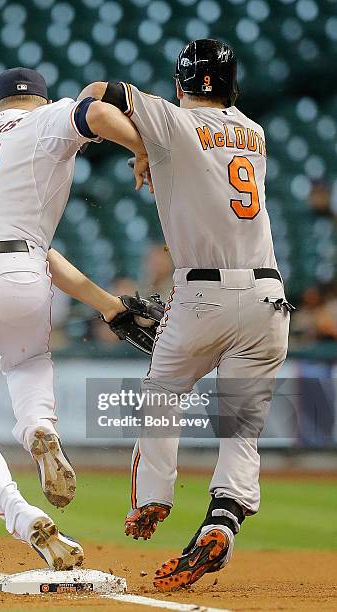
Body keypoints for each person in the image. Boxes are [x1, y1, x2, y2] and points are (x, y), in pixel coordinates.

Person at [79, 39, 291, 589]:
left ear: (180, 84)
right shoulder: (256, 133)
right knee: (240, 427)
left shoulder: (172, 123)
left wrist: (143, 142)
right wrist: (154, 145)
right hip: (268, 295)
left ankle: (152, 499)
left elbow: (96, 102)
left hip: (203, 294)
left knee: (162, 391)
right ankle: (223, 519)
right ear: (232, 85)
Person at [0, 66, 148, 569]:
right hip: (19, 266)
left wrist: (110, 306)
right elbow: (93, 111)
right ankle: (39, 428)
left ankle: (22, 516)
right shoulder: (44, 121)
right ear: (40, 99)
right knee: (26, 361)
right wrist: (142, 147)